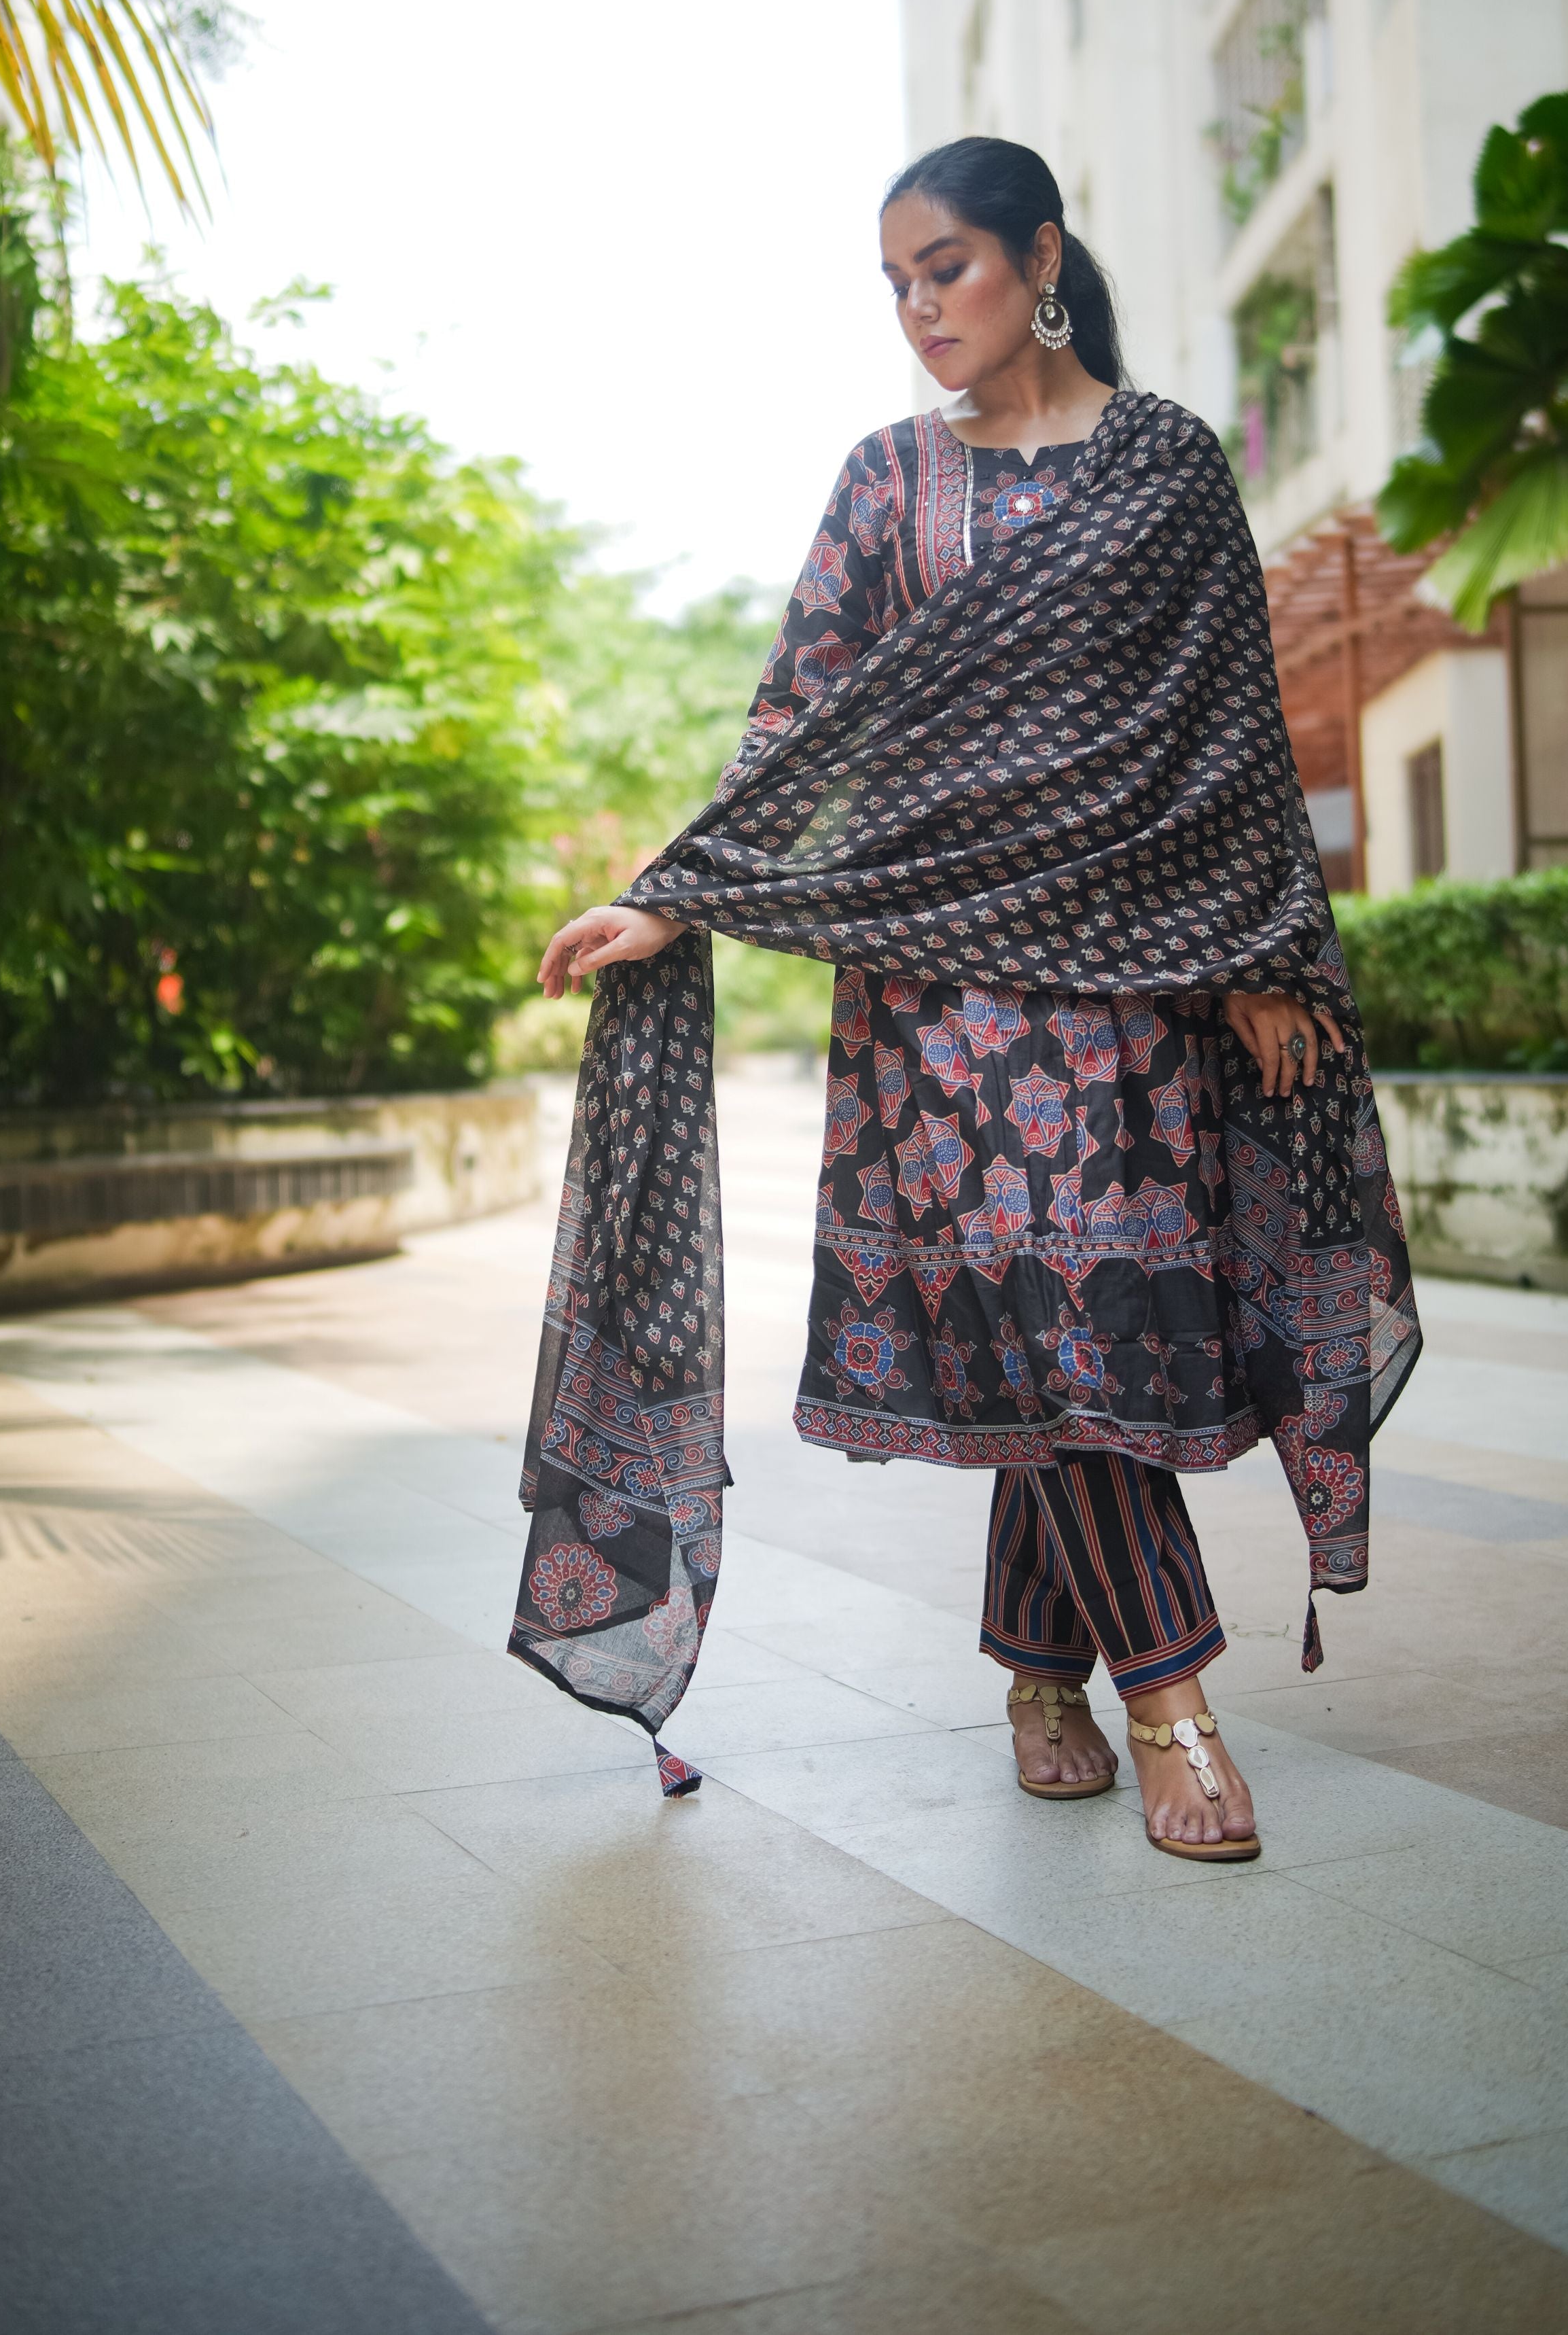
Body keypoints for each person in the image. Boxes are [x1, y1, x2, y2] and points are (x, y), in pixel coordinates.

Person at [522, 136, 1420, 1853]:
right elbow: (799, 724)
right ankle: (1176, 1707)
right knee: (1045, 1305)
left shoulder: (1163, 468)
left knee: (1075, 1330)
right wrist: (670, 897)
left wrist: (1248, 958)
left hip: (1139, 982)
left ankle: (1034, 1665)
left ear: (1041, 260)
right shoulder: (886, 484)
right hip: (939, 994)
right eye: (897, 285)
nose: (922, 308)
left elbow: (1234, 728)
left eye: (948, 269)